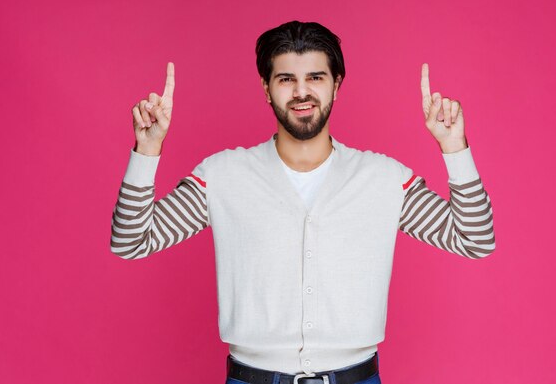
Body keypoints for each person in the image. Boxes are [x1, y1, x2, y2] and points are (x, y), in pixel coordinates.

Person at [110, 20, 495, 384]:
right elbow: (131, 242)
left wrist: (453, 146)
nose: (301, 92)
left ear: (336, 85)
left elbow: (474, 240)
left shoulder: (383, 179)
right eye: (286, 79)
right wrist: (148, 149)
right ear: (266, 88)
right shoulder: (223, 175)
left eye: (315, 77)